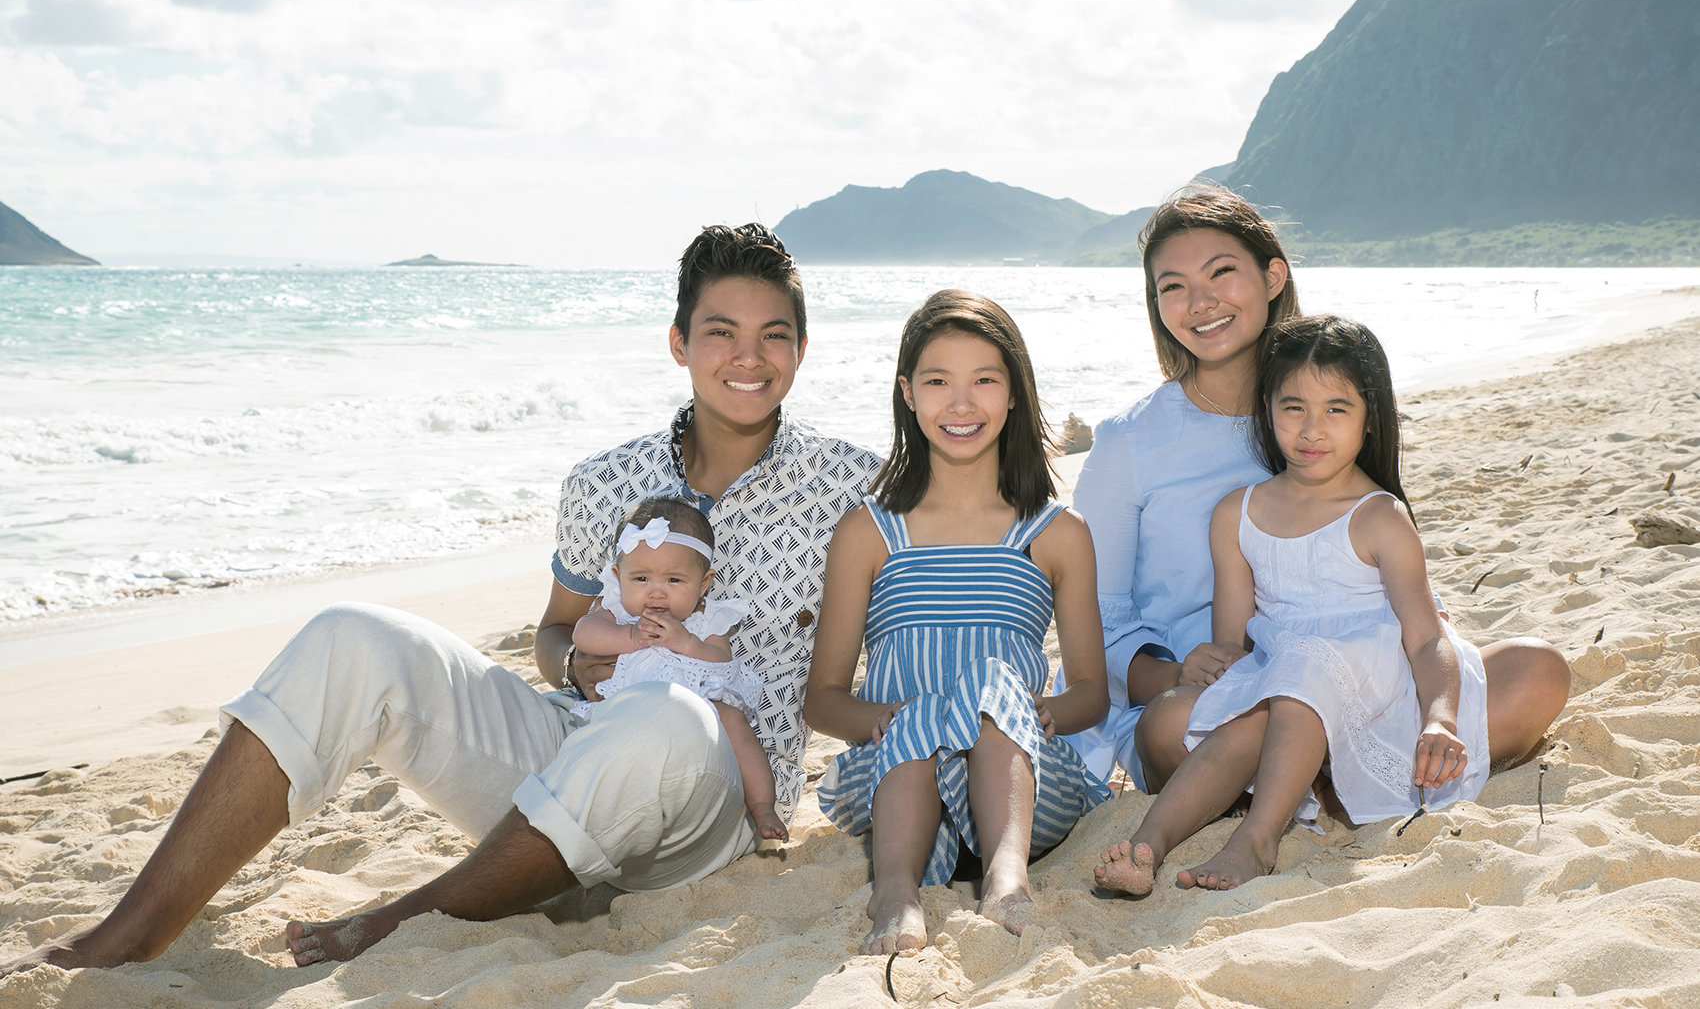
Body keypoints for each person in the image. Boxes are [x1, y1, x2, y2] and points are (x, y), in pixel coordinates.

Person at [0, 223, 881, 977]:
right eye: (721, 331)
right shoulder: (604, 480)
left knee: (672, 719)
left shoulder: (853, 487)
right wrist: (579, 660)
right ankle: (132, 929)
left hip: (712, 809)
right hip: (565, 757)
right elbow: (552, 636)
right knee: (353, 634)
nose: (748, 357)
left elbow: (956, 570)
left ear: (802, 350)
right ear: (679, 342)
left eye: (774, 335)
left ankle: (399, 921)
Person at [1062, 184, 1568, 799]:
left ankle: (1328, 783)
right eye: (1172, 286)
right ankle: (1330, 785)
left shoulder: (1324, 407)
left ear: (1273, 275)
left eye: (1222, 272)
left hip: (1358, 671)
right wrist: (1170, 671)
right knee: (1172, 727)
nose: (1200, 302)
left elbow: (1376, 559)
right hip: (1220, 697)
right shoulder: (1127, 443)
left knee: (1538, 669)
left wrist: (1426, 659)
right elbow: (1095, 620)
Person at [1095, 314, 1488, 894]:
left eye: (1337, 409)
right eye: (1292, 407)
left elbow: (1426, 635)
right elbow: (1236, 645)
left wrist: (1440, 718)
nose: (1311, 429)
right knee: (1244, 709)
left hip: (1380, 686)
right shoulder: (1238, 512)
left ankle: (1257, 838)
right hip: (1286, 683)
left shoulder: (1379, 516)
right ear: (1268, 410)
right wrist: (1211, 663)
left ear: (1369, 419)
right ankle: (1146, 847)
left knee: (1306, 664)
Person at [804, 289, 1110, 955]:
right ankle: (895, 890)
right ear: (908, 393)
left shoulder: (1057, 533)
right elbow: (823, 698)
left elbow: (1092, 691)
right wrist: (889, 719)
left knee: (992, 685)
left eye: (984, 381)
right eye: (939, 381)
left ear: (1014, 393)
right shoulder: (870, 532)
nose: (961, 403)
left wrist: (1034, 714)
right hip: (896, 782)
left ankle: (1005, 880)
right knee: (923, 711)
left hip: (1021, 782)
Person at [565, 495, 786, 842]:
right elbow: (583, 635)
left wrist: (687, 644)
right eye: (640, 579)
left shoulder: (707, 619)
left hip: (698, 715)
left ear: (703, 583)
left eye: (674, 581)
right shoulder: (616, 611)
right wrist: (630, 637)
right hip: (628, 709)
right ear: (617, 575)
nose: (656, 593)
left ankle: (762, 805)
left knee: (733, 719)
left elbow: (724, 666)